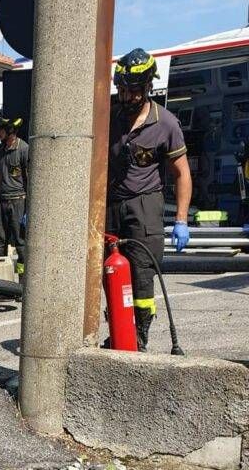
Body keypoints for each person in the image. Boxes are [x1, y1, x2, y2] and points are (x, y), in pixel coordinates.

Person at [107, 48, 192, 352]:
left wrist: (180, 220)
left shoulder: (165, 123)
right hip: (113, 206)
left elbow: (182, 173)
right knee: (110, 270)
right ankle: (117, 328)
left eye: (133, 91)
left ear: (146, 88)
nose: (127, 96)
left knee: (142, 275)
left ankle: (139, 335)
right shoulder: (111, 117)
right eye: (122, 89)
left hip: (146, 206)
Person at [0, 117, 28, 277]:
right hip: (2, 201)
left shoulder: (23, 149)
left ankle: (23, 281)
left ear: (10, 131)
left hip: (19, 200)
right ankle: (0, 279)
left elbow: (28, 177)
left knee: (21, 243)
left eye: (0, 130)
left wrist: (28, 208)